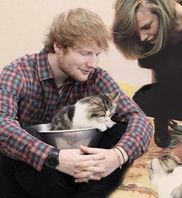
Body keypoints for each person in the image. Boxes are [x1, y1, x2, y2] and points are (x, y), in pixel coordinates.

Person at [0, 8, 153, 198]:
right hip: (30, 175)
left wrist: (117, 156)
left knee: (120, 130)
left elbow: (138, 117)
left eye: (97, 54)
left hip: (79, 174)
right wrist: (55, 158)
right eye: (85, 53)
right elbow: (2, 124)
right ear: (58, 47)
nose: (93, 64)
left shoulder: (96, 77)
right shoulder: (18, 72)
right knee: (23, 135)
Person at [112, 0, 182, 167]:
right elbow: (157, 73)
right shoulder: (147, 35)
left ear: (161, 11)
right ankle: (164, 119)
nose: (143, 37)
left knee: (172, 69)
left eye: (146, 27)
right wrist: (161, 114)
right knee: (141, 101)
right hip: (177, 89)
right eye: (138, 32)